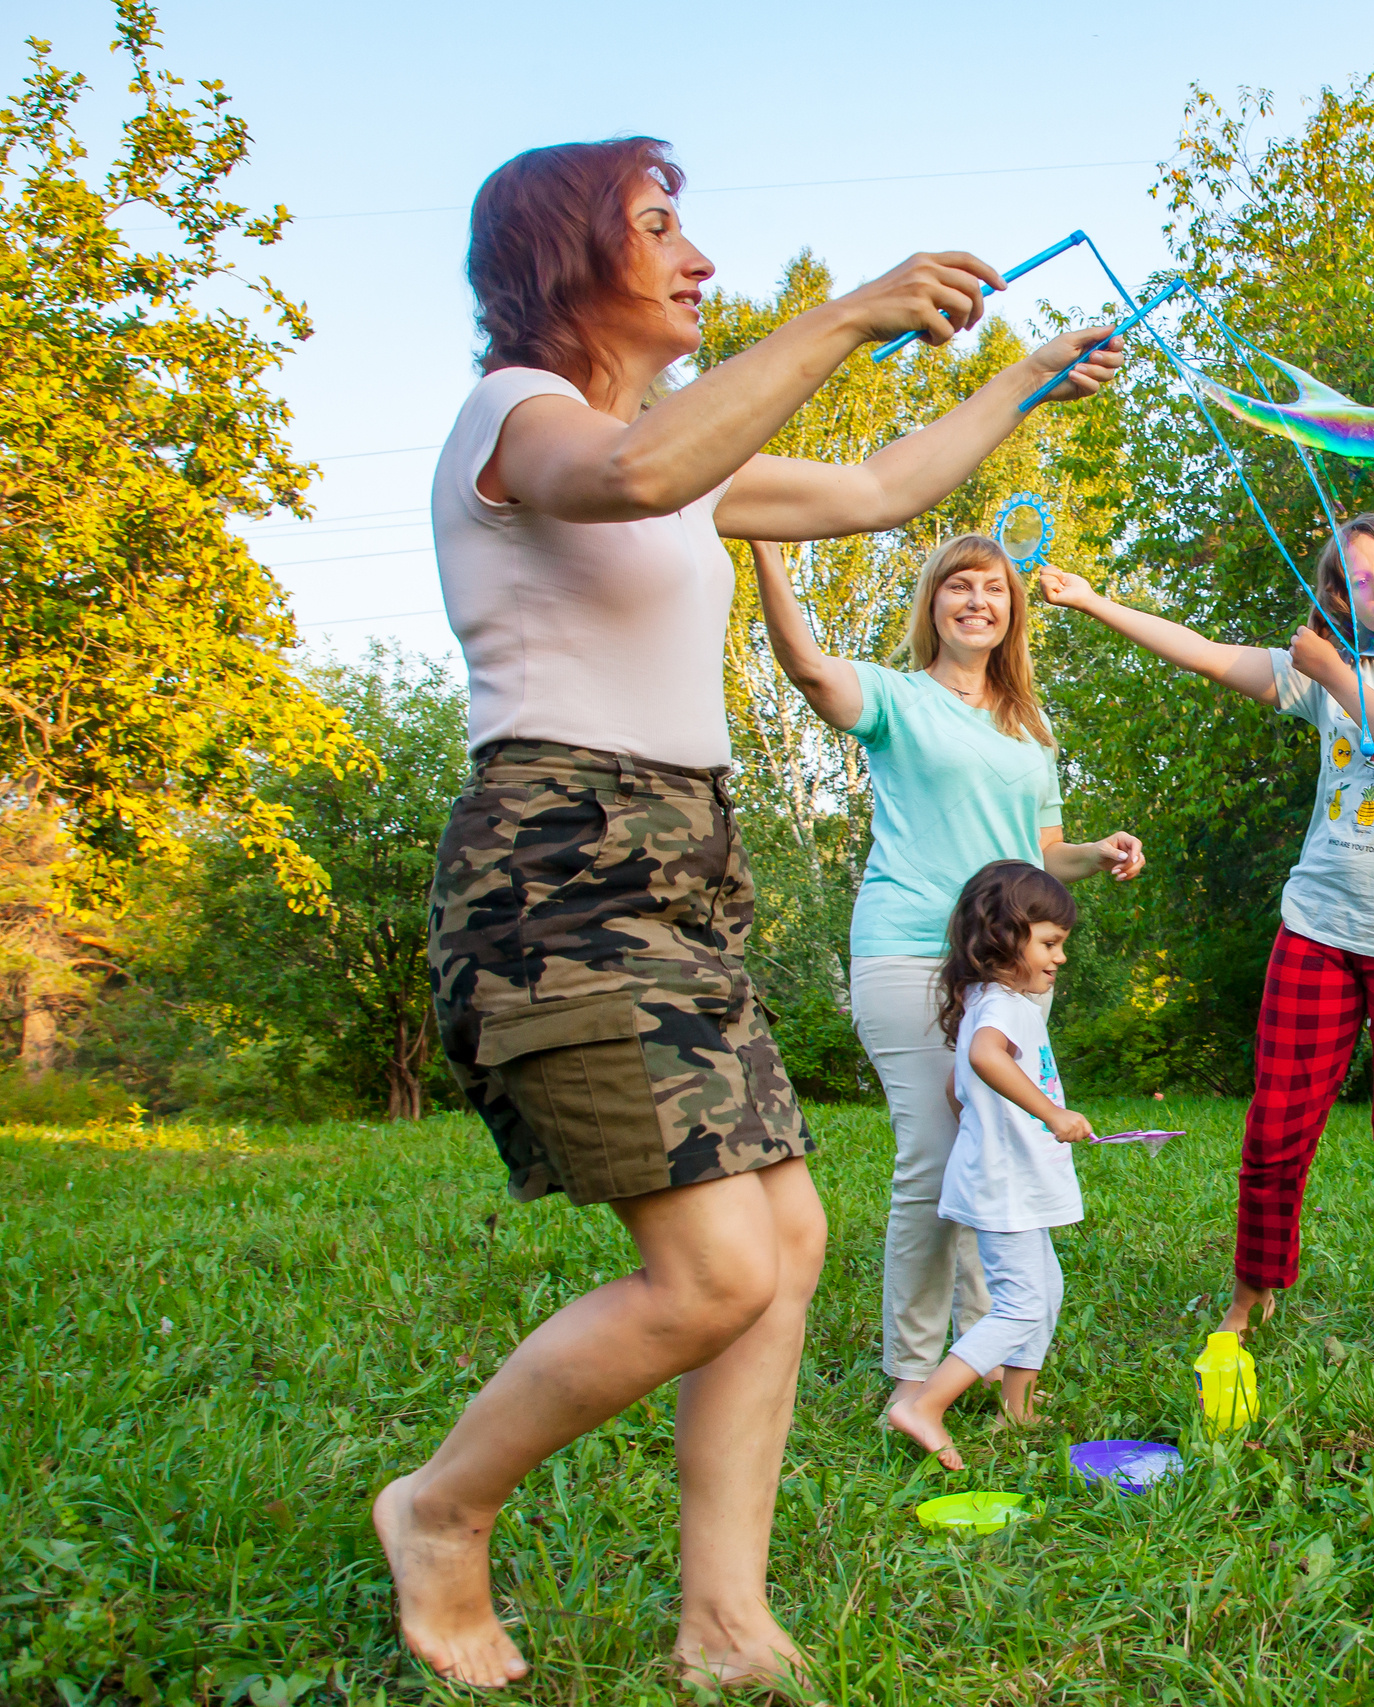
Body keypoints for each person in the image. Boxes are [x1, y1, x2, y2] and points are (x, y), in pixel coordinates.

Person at [379, 136, 1123, 1693]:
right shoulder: (517, 417)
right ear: (562, 260)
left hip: (682, 869)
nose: (700, 261)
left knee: (785, 1242)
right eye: (661, 231)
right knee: (713, 1265)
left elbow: (873, 486)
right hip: (559, 866)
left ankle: (722, 1614)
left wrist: (1027, 384)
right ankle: (440, 1506)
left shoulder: (677, 444)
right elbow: (634, 475)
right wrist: (851, 312)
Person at [1039, 513, 1374, 1379]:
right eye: (1360, 582)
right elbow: (1209, 653)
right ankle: (1249, 1298)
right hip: (1319, 930)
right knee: (1275, 1132)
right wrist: (1096, 600)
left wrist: (1331, 668)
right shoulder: (1329, 675)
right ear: (1340, 600)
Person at [749, 533, 1143, 1410]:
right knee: (934, 1159)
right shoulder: (895, 697)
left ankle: (987, 1352)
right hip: (906, 948)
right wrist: (768, 551)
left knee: (990, 1156)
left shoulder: (1029, 727)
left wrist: (1098, 849)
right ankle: (913, 1375)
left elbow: (1042, 851)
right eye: (958, 586)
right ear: (932, 604)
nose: (977, 600)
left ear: (1012, 611)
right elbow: (810, 670)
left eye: (994, 589)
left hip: (998, 970)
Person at [883, 861, 1094, 1468]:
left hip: (1008, 1177)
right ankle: (923, 1405)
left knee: (1044, 1291)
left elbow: (957, 1083)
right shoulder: (1002, 1005)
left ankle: (1016, 1407)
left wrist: (984, 1116)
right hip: (1006, 1186)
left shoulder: (990, 997)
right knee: (1022, 1302)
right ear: (1004, 935)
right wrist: (1051, 1114)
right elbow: (981, 1058)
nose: (1059, 958)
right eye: (1049, 943)